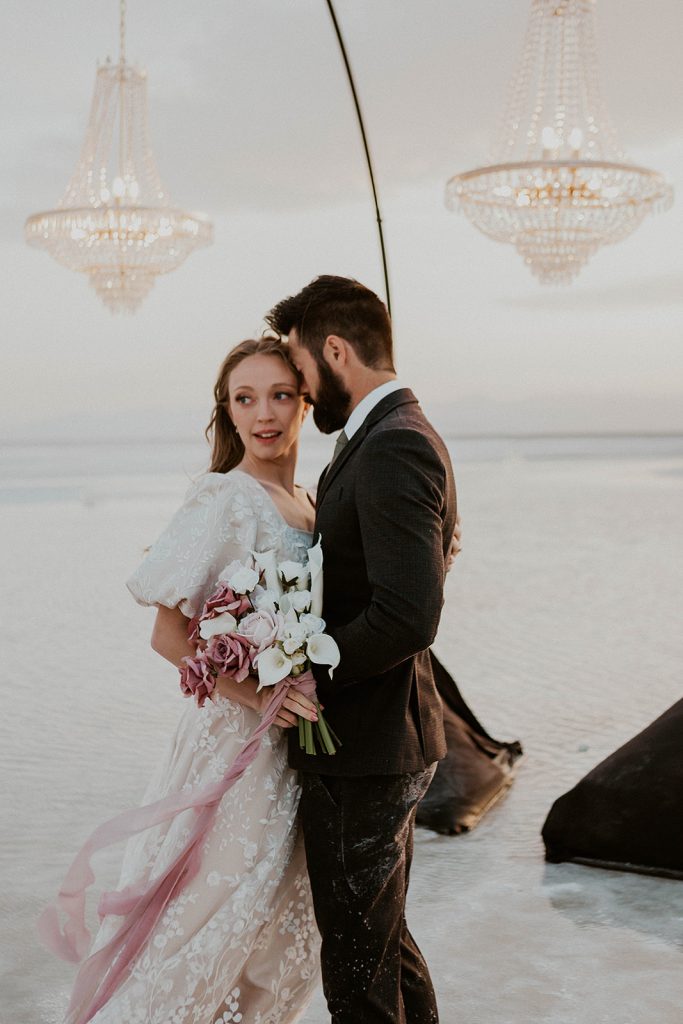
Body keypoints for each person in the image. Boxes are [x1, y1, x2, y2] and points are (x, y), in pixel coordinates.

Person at [60, 337, 323, 1023]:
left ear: (305, 402)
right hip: (236, 749)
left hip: (298, 754)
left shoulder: (310, 501)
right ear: (227, 412)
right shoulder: (225, 498)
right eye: (244, 398)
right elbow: (168, 635)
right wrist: (259, 696)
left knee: (281, 927)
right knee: (210, 912)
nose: (262, 413)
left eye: (279, 395)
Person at [265, 275, 457, 1024]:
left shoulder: (393, 444)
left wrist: (306, 669)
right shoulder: (396, 433)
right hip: (386, 738)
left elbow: (410, 615)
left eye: (301, 370)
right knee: (381, 943)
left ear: (335, 350)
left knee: (354, 960)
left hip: (368, 746)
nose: (301, 392)